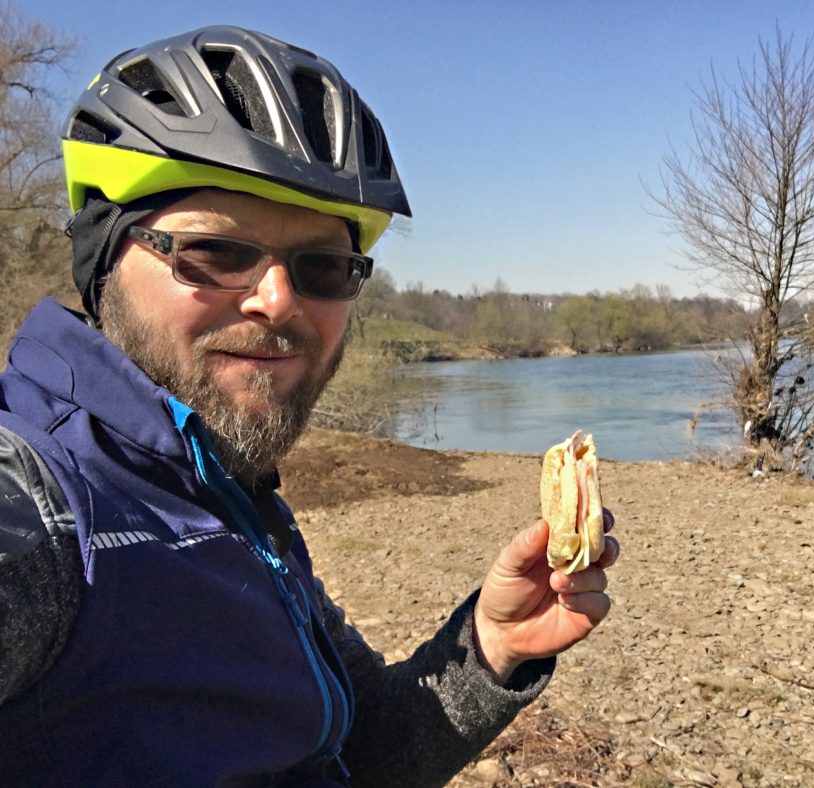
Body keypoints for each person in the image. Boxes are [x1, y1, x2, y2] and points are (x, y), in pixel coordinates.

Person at [0, 26, 618, 786]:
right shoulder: (37, 507)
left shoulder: (230, 495)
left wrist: (491, 648)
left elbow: (351, 749)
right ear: (105, 263)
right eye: (217, 251)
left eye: (321, 265)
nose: (277, 300)